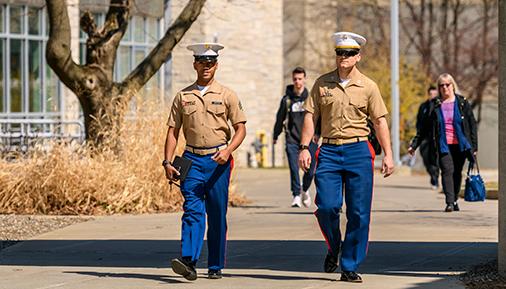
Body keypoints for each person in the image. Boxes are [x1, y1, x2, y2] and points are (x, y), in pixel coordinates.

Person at [298, 32, 394, 283]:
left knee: (359, 213)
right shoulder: (322, 83)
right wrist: (305, 147)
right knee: (328, 207)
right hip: (328, 151)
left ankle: (349, 265)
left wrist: (389, 155)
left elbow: (380, 121)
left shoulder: (369, 86)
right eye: (340, 52)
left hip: (358, 151)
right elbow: (310, 116)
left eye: (350, 53)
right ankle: (334, 245)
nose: (344, 57)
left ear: (358, 57)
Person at [163, 42, 247, 280]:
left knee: (217, 213)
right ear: (195, 65)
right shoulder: (183, 96)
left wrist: (228, 150)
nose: (206, 67)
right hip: (191, 159)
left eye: (210, 63)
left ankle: (215, 264)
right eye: (202, 63)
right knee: (192, 209)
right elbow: (172, 131)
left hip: (218, 161)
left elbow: (240, 129)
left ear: (216, 66)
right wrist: (167, 162)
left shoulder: (227, 95)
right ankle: (189, 261)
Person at [409, 73, 477, 212]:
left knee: (457, 173)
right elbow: (424, 127)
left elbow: (472, 125)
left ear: (452, 85)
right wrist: (415, 145)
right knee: (447, 171)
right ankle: (450, 202)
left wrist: (474, 147)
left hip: (461, 145)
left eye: (447, 84)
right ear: (439, 88)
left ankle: (455, 198)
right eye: (441, 85)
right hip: (443, 145)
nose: (445, 87)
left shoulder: (462, 102)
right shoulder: (435, 104)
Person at [273, 67, 318, 208]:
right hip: (292, 139)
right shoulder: (287, 100)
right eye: (295, 79)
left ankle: (304, 189)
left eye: (300, 79)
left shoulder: (311, 98)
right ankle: (296, 195)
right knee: (293, 168)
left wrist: (318, 133)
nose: (297, 82)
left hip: (310, 139)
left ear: (304, 79)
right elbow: (280, 118)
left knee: (310, 170)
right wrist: (275, 135)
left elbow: (319, 117)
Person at [415, 86, 440, 190]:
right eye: (431, 94)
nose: (433, 96)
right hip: (425, 138)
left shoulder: (439, 106)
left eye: (435, 94)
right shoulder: (423, 106)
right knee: (426, 159)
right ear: (428, 94)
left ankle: (435, 178)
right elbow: (419, 121)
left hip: (436, 138)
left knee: (435, 160)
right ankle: (433, 175)